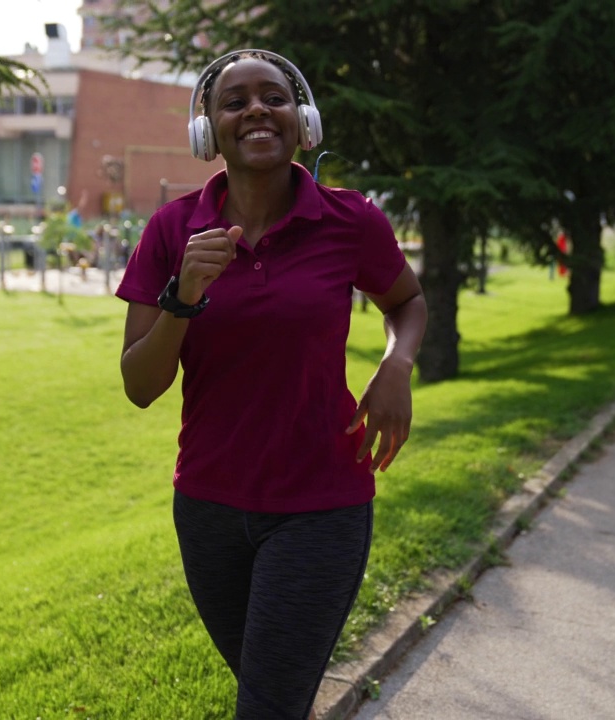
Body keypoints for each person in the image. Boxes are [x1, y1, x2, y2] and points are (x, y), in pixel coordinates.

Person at [115, 49, 426, 720]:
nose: (257, 108)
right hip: (207, 508)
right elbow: (140, 384)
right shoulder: (172, 230)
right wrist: (182, 298)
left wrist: (396, 364)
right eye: (235, 101)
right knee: (275, 696)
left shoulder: (351, 221)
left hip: (320, 504)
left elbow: (406, 302)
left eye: (274, 97)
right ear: (209, 131)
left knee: (266, 706)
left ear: (301, 120)